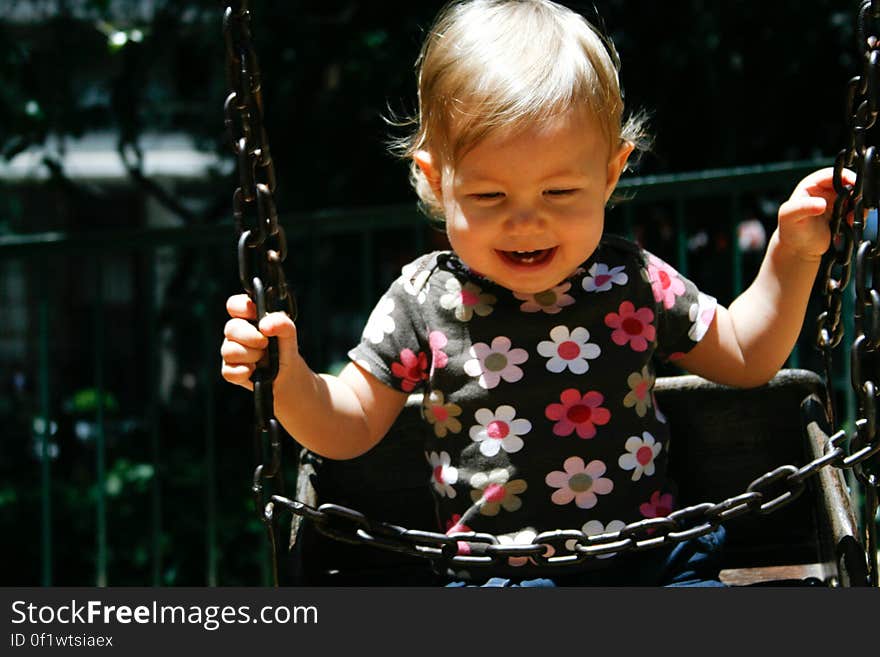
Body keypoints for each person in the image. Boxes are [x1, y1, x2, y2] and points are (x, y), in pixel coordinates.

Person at [221, 0, 851, 586]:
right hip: (501, 578)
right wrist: (287, 378)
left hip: (653, 559)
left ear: (610, 174)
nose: (526, 221)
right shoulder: (422, 301)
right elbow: (348, 427)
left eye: (559, 193)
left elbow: (746, 355)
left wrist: (792, 254)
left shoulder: (631, 281)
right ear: (437, 182)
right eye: (490, 196)